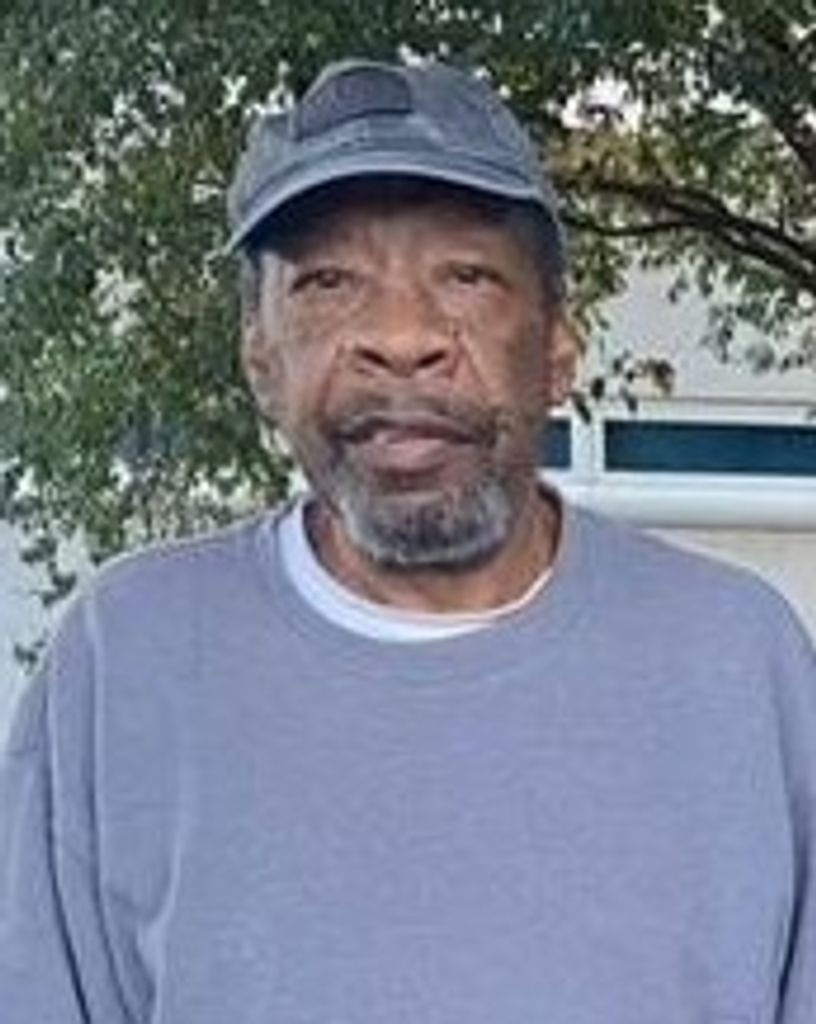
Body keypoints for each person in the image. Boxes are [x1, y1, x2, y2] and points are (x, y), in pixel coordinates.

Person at [1, 57, 814, 1024]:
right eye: (328, 281)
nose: (400, 335)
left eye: (465, 276)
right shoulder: (129, 658)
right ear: (259, 356)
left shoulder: (736, 660)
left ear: (559, 344)